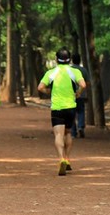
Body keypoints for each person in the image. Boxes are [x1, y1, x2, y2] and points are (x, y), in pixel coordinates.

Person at [37, 47, 86, 176]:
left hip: (57, 107)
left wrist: (49, 92)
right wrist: (78, 94)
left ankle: (61, 159)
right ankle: (68, 159)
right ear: (69, 59)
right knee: (69, 132)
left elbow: (40, 87)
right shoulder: (74, 71)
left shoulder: (51, 73)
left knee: (58, 134)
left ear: (56, 59)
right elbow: (83, 85)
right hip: (71, 106)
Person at [70, 53, 90, 138]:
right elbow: (88, 83)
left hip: (70, 95)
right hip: (81, 95)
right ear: (80, 60)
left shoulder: (68, 70)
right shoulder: (83, 70)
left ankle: (73, 133)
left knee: (71, 114)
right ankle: (80, 126)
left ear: (72, 60)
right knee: (81, 111)